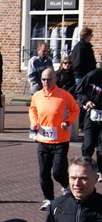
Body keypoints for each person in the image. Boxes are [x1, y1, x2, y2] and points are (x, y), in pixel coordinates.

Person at [29, 67, 79, 211]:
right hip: (43, 140)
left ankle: (66, 186)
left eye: (49, 79)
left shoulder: (64, 95)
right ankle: (49, 199)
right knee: (44, 172)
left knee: (58, 172)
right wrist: (34, 121)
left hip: (60, 140)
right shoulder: (37, 95)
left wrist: (68, 122)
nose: (45, 82)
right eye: (43, 79)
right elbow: (32, 109)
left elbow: (75, 109)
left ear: (55, 79)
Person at [75, 67, 102, 180]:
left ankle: (100, 171)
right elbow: (79, 90)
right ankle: (84, 166)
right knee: (89, 144)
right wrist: (87, 101)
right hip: (92, 113)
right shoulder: (94, 75)